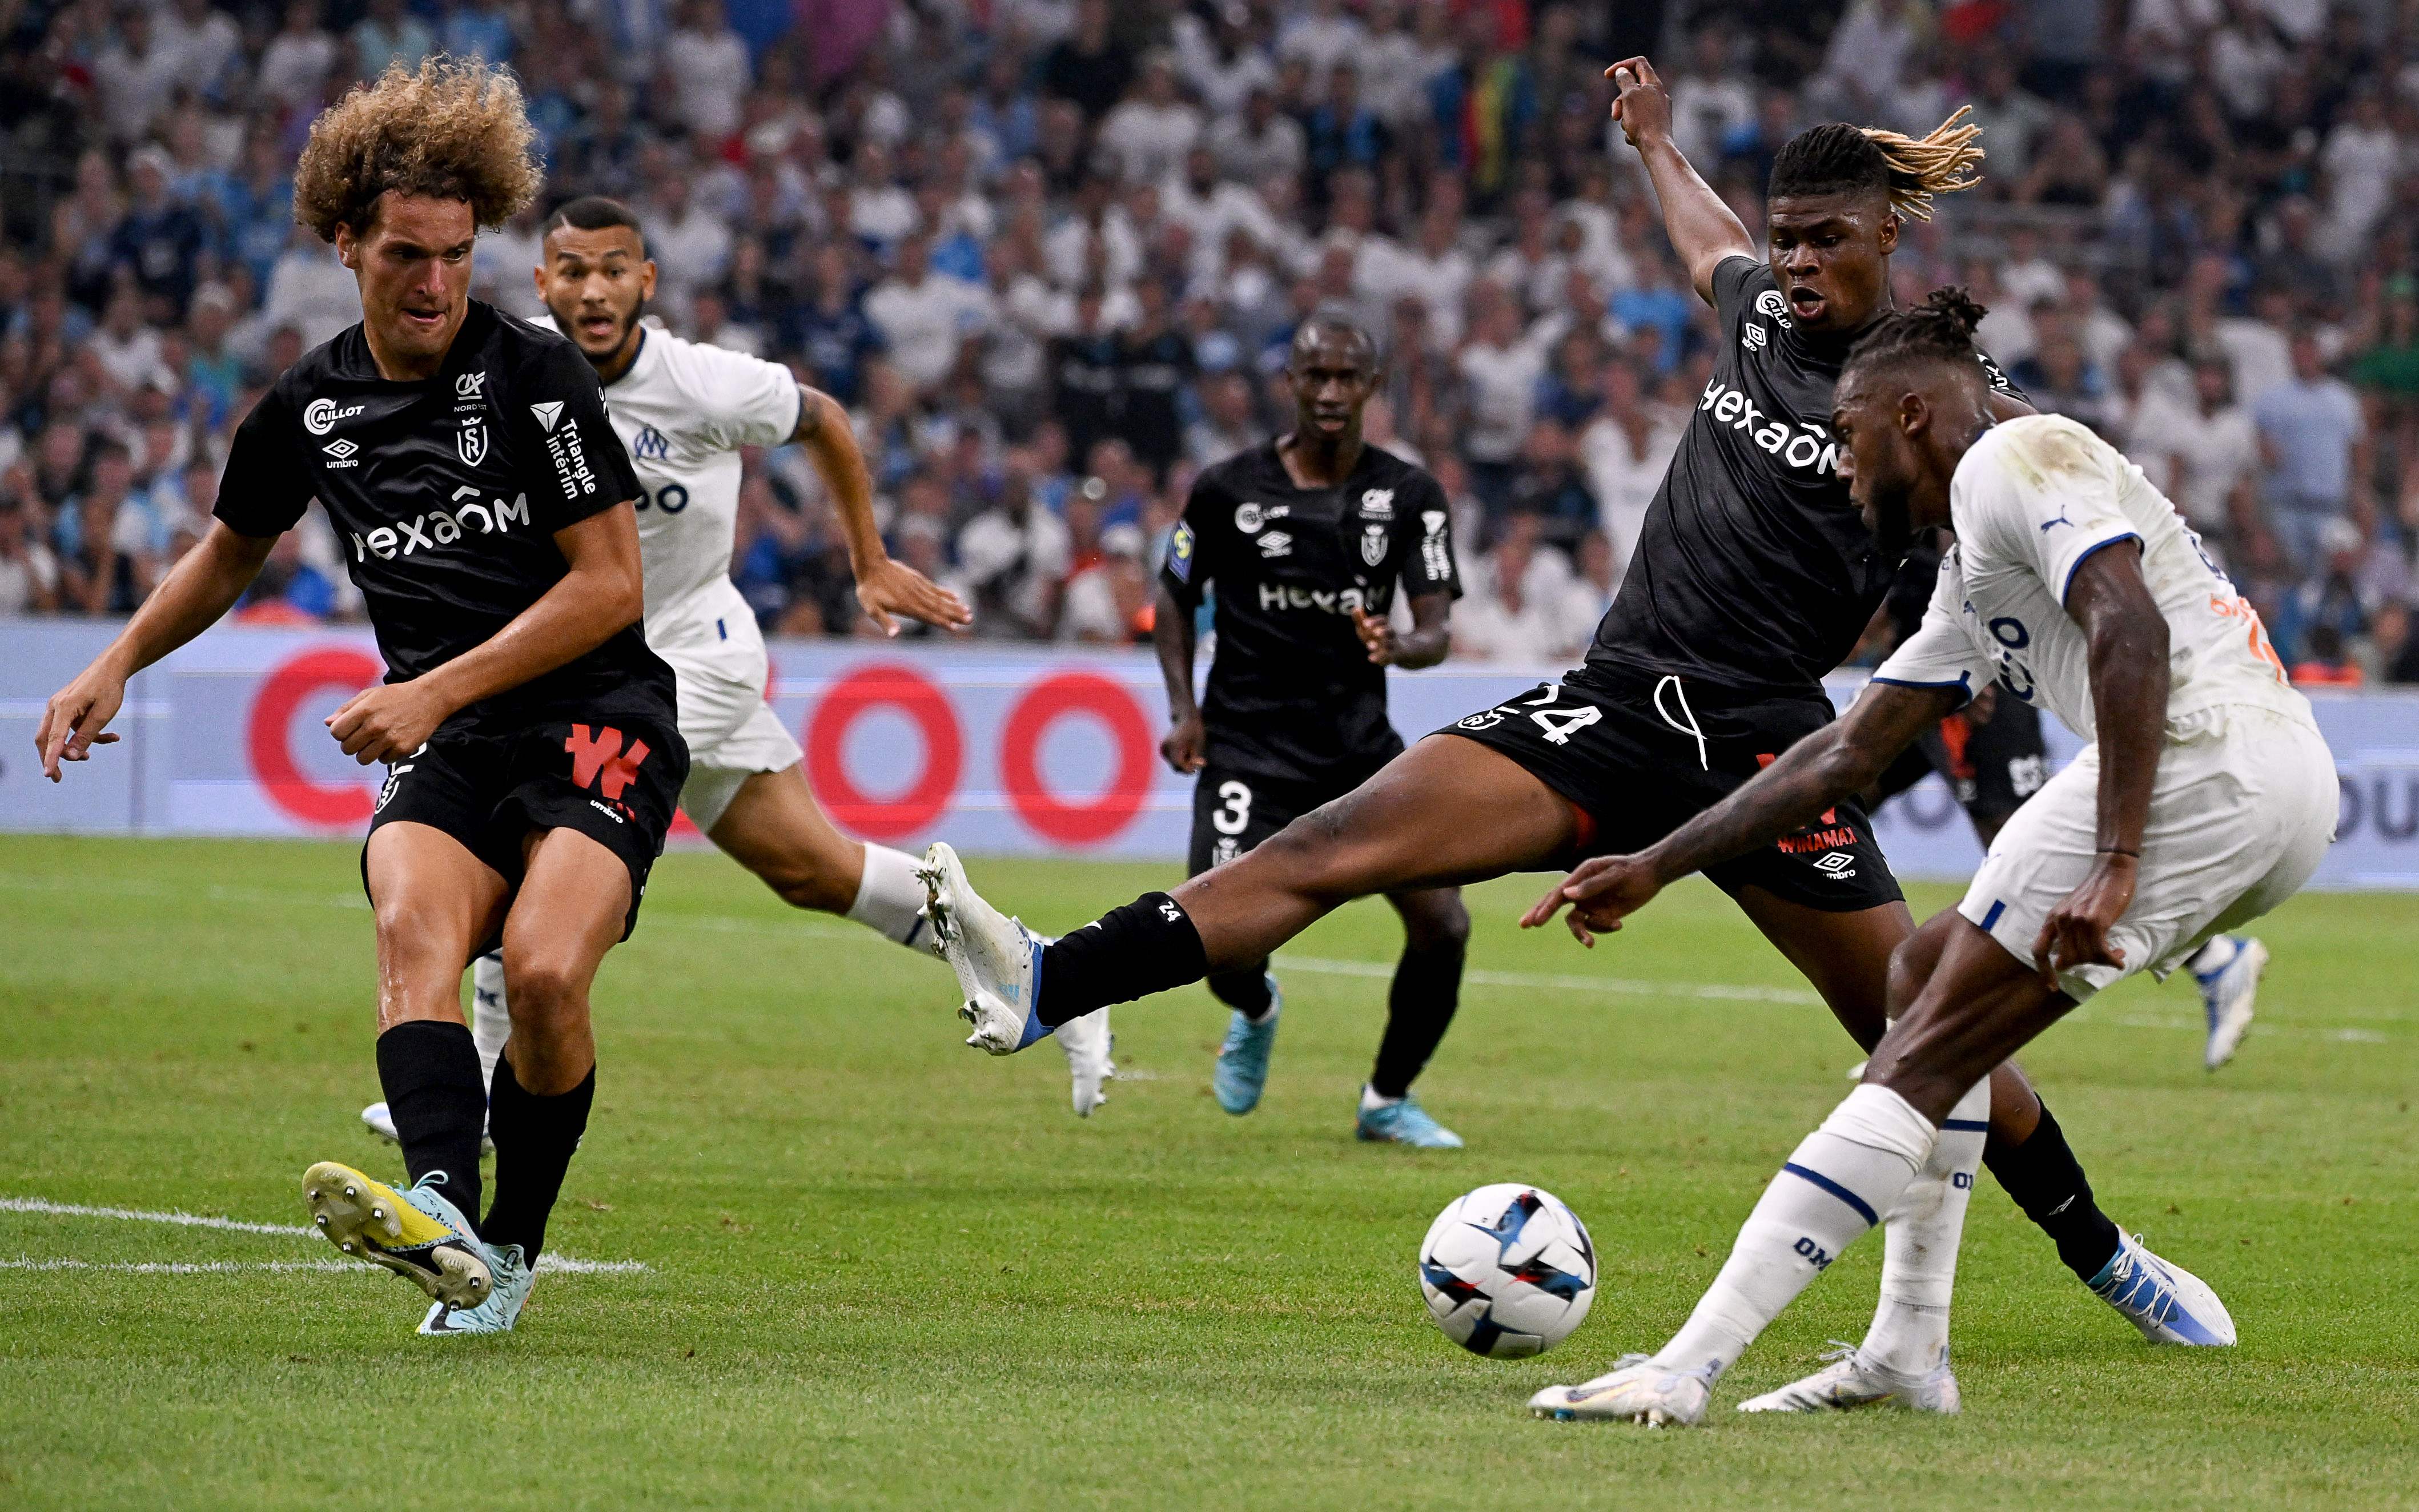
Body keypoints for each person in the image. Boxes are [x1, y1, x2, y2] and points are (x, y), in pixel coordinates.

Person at [915, 63, 2226, 1351]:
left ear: (1891, 232)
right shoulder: (1759, 312)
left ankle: (2103, 1250)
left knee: (1921, 1026)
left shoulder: (1952, 411)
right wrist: (1653, 141)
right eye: (1789, 241)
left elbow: (2071, 553)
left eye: (1827, 240)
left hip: (1767, 748)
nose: (1800, 262)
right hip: (1612, 705)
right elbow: (1705, 237)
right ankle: (1050, 980)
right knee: (1330, 846)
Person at [1523, 291, 2334, 1423]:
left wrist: (2115, 854)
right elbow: (1843, 754)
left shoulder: (2014, 457)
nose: (1845, 477)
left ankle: (1685, 1367)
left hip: (2213, 761)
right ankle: (1908, 1348)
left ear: (1911, 413)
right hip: (2271, 788)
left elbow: (2130, 627)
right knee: (1918, 981)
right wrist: (1657, 860)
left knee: (1918, 1048)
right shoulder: (1971, 575)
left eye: (1851, 443)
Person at [37, 59, 678, 1336]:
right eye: (403, 256)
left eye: (453, 254)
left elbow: (610, 585)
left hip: (600, 714)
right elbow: (229, 549)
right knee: (410, 929)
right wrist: (116, 660)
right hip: (455, 734)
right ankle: (441, 1211)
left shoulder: (534, 377)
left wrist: (429, 688)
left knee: (548, 978)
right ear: (346, 242)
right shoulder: (309, 406)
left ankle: (509, 1252)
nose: (434, 282)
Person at [347, 195, 1088, 1142]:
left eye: (615, 268)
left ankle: (487, 1082)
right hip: (578, 663)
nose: (594, 288)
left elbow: (821, 419)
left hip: (684, 659)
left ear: (646, 282)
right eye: (572, 270)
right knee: (814, 869)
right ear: (543, 284)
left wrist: (867, 557)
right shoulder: (507, 366)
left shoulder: (702, 382)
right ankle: (1050, 973)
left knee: (537, 817)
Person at [1152, 313, 1469, 1146]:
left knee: (1446, 924)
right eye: (1315, 376)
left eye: (1348, 378)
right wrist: (1184, 710)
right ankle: (1255, 1009)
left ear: (1372, 386)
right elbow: (1175, 598)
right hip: (1246, 750)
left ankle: (1387, 1100)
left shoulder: (1407, 494)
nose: (1331, 393)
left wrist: (1402, 645)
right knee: (1216, 947)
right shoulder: (1226, 490)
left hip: (1360, 754)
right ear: (1289, 382)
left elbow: (1436, 630)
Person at [1863, 538, 2273, 1070]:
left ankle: (2214, 958)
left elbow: (1972, 557)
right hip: (1920, 671)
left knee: (2024, 858)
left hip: (1978, 673)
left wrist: (1976, 652)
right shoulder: (1882, 497)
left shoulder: (1943, 494)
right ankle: (1907, 1020)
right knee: (1846, 801)